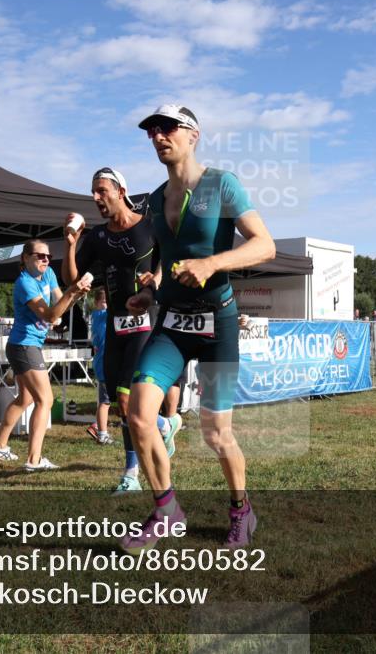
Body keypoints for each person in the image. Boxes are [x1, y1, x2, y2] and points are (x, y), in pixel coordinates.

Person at [121, 104, 275, 553]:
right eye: (152, 130)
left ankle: (241, 510)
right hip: (172, 322)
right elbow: (165, 259)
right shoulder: (153, 199)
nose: (158, 136)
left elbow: (264, 245)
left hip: (217, 325)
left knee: (215, 433)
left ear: (193, 135)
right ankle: (166, 510)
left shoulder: (222, 184)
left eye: (168, 128)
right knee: (137, 414)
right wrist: (150, 291)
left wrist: (212, 264)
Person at [62, 166, 181, 494]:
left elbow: (170, 257)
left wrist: (154, 283)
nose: (95, 197)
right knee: (120, 405)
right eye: (93, 191)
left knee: (128, 402)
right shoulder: (97, 237)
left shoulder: (150, 225)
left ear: (121, 192)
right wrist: (71, 244)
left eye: (101, 190)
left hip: (146, 321)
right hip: (116, 326)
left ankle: (131, 474)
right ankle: (164, 425)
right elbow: (71, 279)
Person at [0, 239, 90, 471]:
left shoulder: (49, 274)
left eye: (48, 256)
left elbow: (60, 305)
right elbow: (51, 316)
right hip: (24, 346)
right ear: (25, 258)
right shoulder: (24, 283)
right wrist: (71, 293)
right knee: (45, 400)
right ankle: (34, 460)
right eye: (40, 256)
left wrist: (75, 294)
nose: (45, 260)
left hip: (23, 346)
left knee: (25, 399)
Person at [86, 288, 114, 445]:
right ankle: (101, 432)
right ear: (97, 303)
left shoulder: (97, 316)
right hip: (105, 365)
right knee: (105, 402)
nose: (108, 305)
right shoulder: (103, 315)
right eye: (104, 302)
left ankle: (100, 429)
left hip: (103, 363)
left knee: (106, 401)